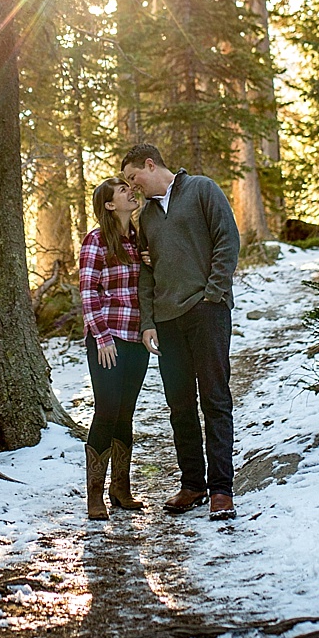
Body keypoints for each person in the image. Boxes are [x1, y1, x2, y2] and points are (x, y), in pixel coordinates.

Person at [121, 143, 240, 521]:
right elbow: (147, 273)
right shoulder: (148, 219)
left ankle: (222, 489)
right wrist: (149, 321)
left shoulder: (202, 189)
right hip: (168, 322)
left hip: (207, 313)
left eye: (133, 177)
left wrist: (213, 294)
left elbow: (227, 240)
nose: (132, 186)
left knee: (215, 400)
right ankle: (193, 484)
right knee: (180, 406)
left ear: (150, 164)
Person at [77, 177, 150, 520]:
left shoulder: (138, 239)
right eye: (122, 190)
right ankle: (94, 497)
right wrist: (102, 337)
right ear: (109, 205)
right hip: (108, 339)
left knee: (125, 412)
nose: (130, 192)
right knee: (107, 410)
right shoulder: (97, 240)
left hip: (137, 339)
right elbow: (89, 291)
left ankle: (121, 489)